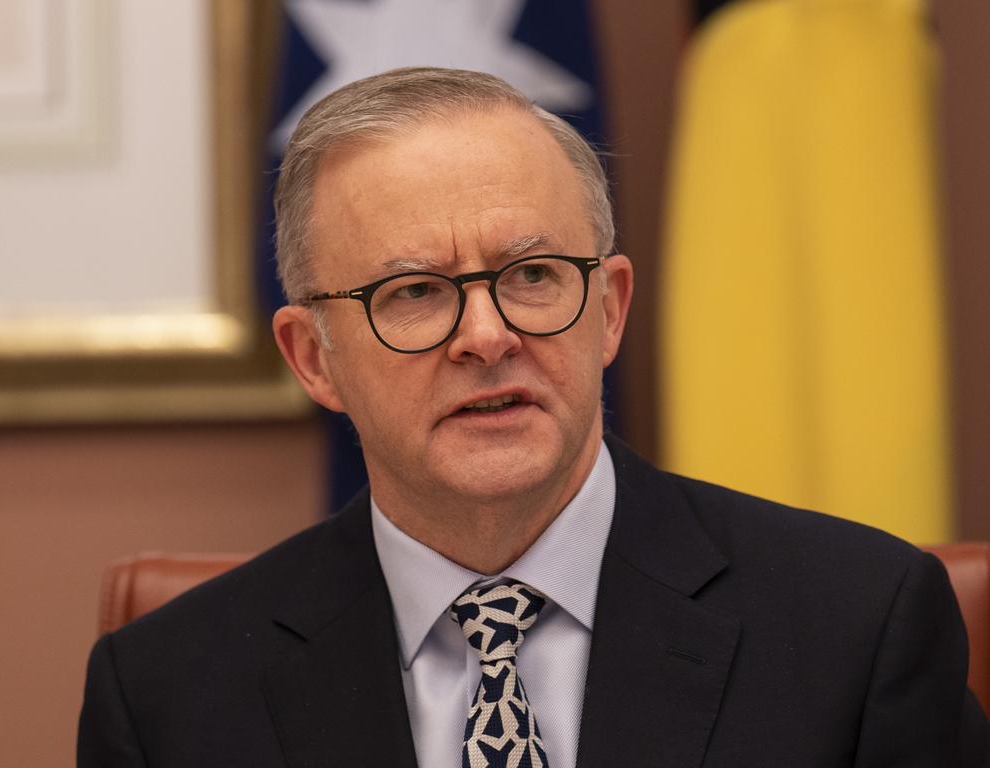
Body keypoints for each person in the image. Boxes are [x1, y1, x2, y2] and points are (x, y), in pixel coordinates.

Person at [78, 67, 988, 767]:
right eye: (415, 292)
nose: (487, 334)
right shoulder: (169, 696)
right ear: (315, 358)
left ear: (610, 308)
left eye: (533, 276)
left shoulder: (858, 626)